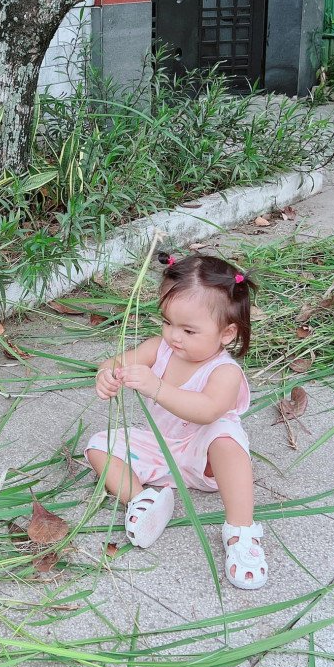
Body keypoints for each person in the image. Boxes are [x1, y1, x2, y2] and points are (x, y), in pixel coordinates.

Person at [85, 253, 267, 590]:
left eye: (188, 329)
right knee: (99, 445)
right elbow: (112, 362)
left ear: (226, 334)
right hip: (159, 448)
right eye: (167, 322)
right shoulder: (160, 348)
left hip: (203, 458)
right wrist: (107, 375)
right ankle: (142, 500)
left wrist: (157, 387)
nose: (173, 336)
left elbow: (207, 410)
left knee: (226, 438)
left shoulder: (224, 372)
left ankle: (241, 531)